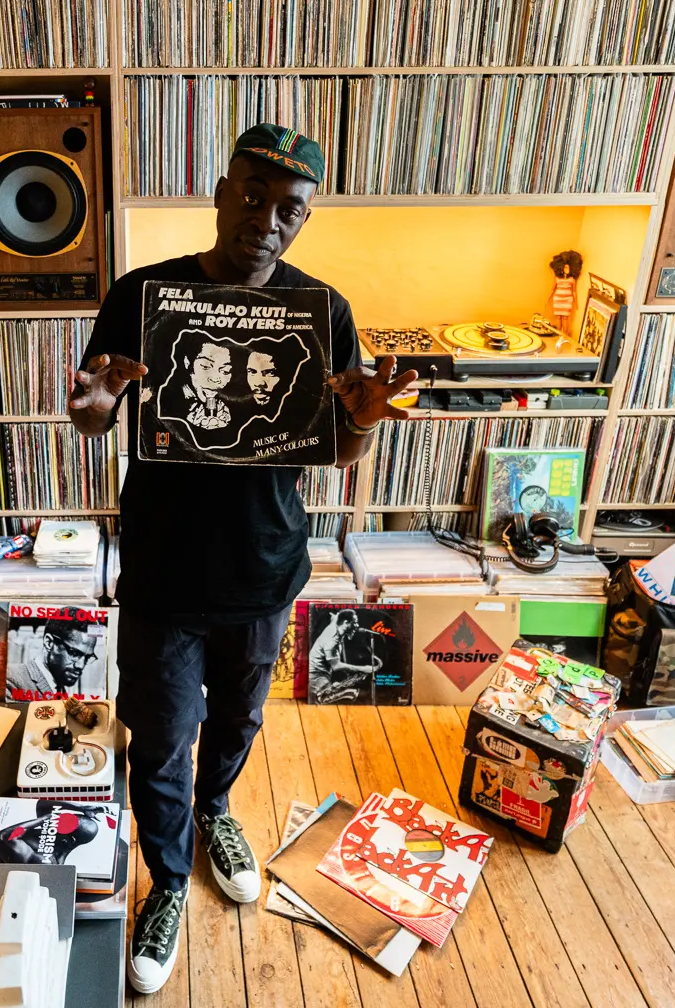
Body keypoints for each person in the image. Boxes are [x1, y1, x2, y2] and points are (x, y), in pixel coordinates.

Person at [68, 123, 415, 993]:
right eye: (252, 197)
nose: (266, 219)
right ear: (221, 195)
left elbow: (334, 448)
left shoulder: (322, 310)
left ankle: (217, 810)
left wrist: (365, 416)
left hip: (265, 567)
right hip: (163, 568)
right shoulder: (142, 294)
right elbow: (96, 412)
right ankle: (169, 881)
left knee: (237, 721)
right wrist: (97, 407)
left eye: (288, 208)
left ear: (304, 218)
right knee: (158, 739)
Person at [306, 608, 381, 704]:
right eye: (355, 622)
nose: (357, 626)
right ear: (345, 622)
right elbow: (336, 666)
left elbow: (335, 616)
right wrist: (364, 669)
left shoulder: (336, 623)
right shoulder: (332, 640)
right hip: (317, 678)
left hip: (321, 675)